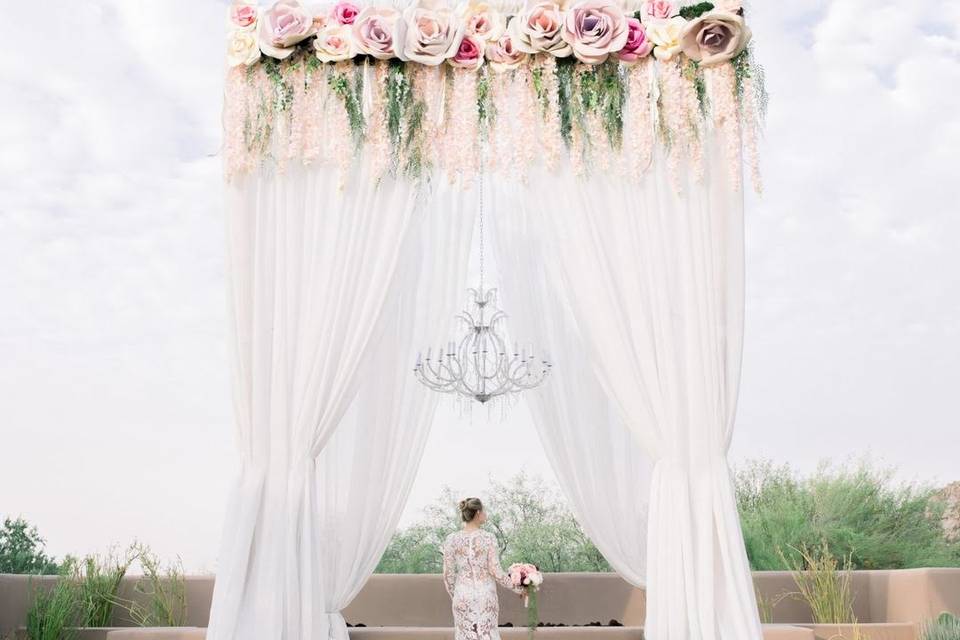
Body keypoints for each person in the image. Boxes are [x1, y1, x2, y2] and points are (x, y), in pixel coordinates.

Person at [442, 497, 523, 639]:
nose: (486, 514)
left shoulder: (451, 539)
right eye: (484, 511)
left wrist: (455, 596)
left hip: (462, 595)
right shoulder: (488, 538)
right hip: (485, 596)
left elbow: (448, 574)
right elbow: (496, 571)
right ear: (478, 512)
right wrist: (518, 588)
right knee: (487, 635)